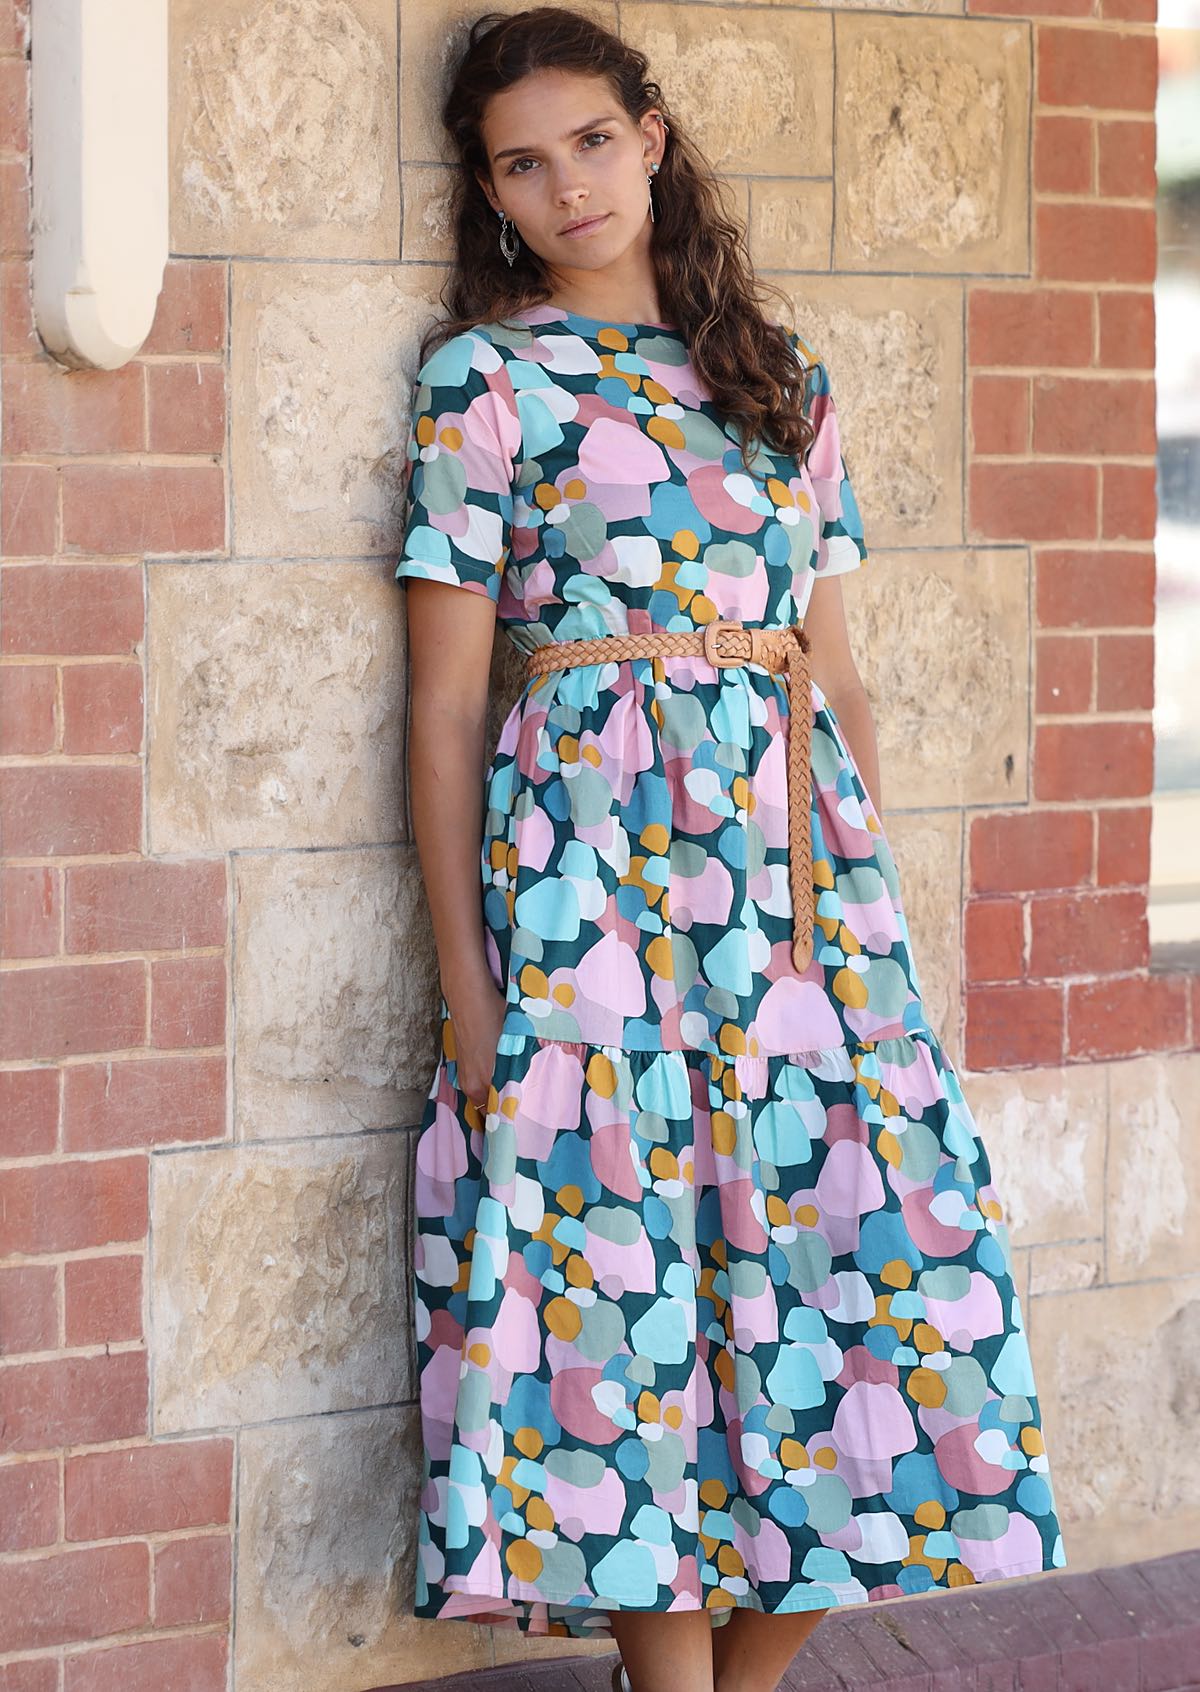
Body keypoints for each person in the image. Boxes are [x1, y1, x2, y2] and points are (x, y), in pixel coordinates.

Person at [393, 10, 1065, 1692]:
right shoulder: (487, 383)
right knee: (625, 1286)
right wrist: (468, 984)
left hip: (797, 902)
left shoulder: (782, 375)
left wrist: (868, 920)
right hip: (591, 900)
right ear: (490, 192)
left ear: (652, 134)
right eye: (522, 164)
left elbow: (839, 672)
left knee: (898, 1302)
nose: (567, 186)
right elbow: (445, 706)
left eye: (589, 141)